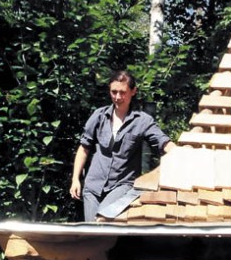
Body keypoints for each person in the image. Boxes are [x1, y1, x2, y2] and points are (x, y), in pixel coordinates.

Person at [70, 69, 173, 221]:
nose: (118, 97)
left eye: (122, 92)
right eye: (114, 92)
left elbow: (163, 142)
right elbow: (84, 148)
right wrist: (75, 179)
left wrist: (178, 152)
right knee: (91, 230)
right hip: (93, 186)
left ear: (133, 91)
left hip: (122, 185)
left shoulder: (142, 121)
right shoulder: (99, 116)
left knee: (102, 220)